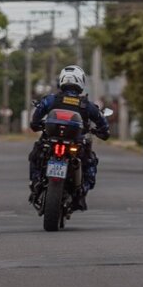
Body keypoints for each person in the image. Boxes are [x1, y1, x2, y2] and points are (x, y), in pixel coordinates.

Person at [28, 65, 110, 211]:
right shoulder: (87, 105)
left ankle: (35, 182)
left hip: (50, 141)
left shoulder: (51, 100)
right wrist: (103, 132)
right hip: (76, 145)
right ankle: (81, 192)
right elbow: (102, 122)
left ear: (62, 80)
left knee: (36, 154)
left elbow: (36, 116)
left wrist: (36, 124)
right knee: (90, 163)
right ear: (81, 82)